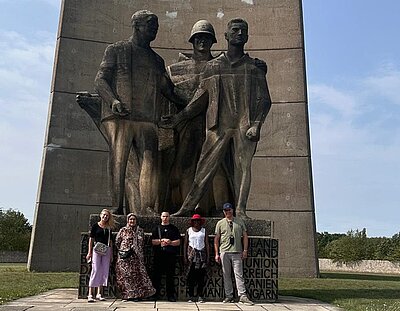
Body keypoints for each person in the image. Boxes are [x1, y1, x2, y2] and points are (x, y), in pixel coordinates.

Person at [160, 18, 272, 218]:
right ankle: (187, 207)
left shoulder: (253, 67)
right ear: (226, 36)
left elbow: (264, 100)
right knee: (204, 167)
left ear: (246, 36)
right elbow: (200, 98)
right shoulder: (214, 66)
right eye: (235, 30)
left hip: (244, 125)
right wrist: (180, 117)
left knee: (243, 168)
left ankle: (241, 210)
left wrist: (256, 124)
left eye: (243, 31)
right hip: (217, 125)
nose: (239, 33)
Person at [94, 10, 185, 215]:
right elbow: (100, 80)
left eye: (156, 25)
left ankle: (147, 208)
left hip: (147, 120)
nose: (155, 29)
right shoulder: (117, 50)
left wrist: (192, 101)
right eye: (151, 24)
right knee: (119, 160)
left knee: (150, 164)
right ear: (137, 26)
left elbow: (169, 91)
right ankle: (117, 206)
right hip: (121, 117)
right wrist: (113, 100)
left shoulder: (156, 60)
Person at [165, 20, 232, 215]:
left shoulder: (221, 65)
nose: (202, 41)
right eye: (199, 38)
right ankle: (191, 207)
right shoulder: (177, 69)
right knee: (186, 165)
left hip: (215, 122)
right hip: (188, 123)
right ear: (192, 41)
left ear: (212, 41)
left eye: (206, 38)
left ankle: (221, 208)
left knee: (217, 166)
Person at [214, 203, 254, 305]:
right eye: (226, 210)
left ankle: (242, 295)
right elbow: (216, 239)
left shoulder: (239, 222)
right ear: (224, 212)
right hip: (224, 252)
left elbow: (245, 236)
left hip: (237, 252)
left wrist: (245, 250)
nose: (228, 212)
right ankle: (229, 295)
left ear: (233, 210)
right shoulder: (220, 223)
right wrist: (217, 253)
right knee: (226, 274)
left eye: (229, 210)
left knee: (238, 274)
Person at [115, 213, 155, 301]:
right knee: (127, 277)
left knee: (138, 276)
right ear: (127, 220)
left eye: (134, 219)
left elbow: (143, 242)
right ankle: (129, 295)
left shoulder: (140, 231)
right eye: (130, 219)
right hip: (125, 258)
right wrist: (125, 250)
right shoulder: (123, 230)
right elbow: (117, 242)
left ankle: (139, 295)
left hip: (137, 257)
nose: (132, 221)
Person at [86, 209, 115, 303]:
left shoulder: (109, 228)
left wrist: (111, 254)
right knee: (95, 270)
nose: (105, 217)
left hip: (106, 250)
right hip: (97, 250)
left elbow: (110, 242)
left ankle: (99, 293)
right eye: (104, 215)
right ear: (100, 215)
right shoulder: (95, 226)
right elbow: (91, 239)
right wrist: (89, 252)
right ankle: (90, 293)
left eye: (107, 215)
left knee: (104, 270)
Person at [151, 211, 181, 301]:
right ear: (161, 217)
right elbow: (152, 241)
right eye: (163, 216)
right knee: (156, 276)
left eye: (167, 216)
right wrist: (161, 241)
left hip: (170, 255)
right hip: (159, 255)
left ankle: (170, 295)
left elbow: (178, 242)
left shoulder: (174, 229)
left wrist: (170, 242)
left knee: (170, 276)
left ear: (169, 217)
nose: (165, 218)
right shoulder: (156, 228)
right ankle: (155, 294)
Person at [183, 214, 209, 303]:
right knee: (191, 277)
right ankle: (191, 296)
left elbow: (207, 244)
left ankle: (200, 296)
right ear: (192, 222)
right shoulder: (189, 231)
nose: (196, 222)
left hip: (201, 256)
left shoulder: (204, 231)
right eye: (195, 221)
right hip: (192, 256)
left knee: (201, 278)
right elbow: (185, 244)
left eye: (198, 221)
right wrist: (185, 257)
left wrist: (208, 257)